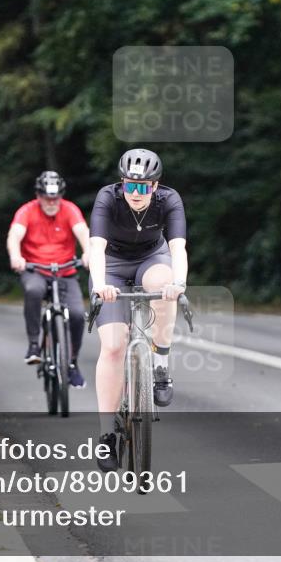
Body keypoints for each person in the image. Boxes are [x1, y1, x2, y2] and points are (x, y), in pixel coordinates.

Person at [88, 149, 187, 471]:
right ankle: (106, 437)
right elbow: (96, 248)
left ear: (155, 186)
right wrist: (100, 284)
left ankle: (160, 364)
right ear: (122, 183)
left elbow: (178, 248)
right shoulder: (107, 198)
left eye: (144, 187)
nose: (136, 193)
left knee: (164, 285)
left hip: (152, 259)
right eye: (130, 185)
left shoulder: (169, 200)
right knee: (114, 346)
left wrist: (179, 283)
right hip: (113, 268)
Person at [6, 171, 90, 387]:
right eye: (47, 197)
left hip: (66, 270)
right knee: (33, 291)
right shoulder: (26, 211)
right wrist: (16, 256)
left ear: (61, 195)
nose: (52, 202)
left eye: (56, 197)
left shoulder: (70, 209)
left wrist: (88, 252)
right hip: (35, 269)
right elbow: (14, 235)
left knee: (79, 315)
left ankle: (71, 362)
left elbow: (83, 232)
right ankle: (34, 344)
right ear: (38, 195)